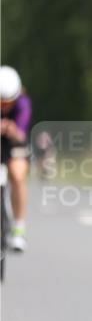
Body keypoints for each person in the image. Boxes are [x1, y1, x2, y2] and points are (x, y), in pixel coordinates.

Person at [0, 65, 32, 252]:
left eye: (8, 102)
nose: (4, 107)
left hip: (14, 142)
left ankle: (18, 228)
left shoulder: (23, 103)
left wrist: (11, 130)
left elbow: (21, 135)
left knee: (18, 174)